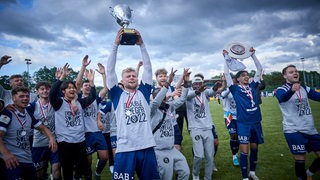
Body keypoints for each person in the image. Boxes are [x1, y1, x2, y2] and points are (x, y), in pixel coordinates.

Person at [107, 28, 160, 179]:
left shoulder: (143, 92)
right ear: (122, 81)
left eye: (134, 76)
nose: (131, 78)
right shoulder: (117, 95)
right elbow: (110, 70)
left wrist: (142, 45)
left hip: (147, 146)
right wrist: (115, 45)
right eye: (128, 76)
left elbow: (149, 68)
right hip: (125, 148)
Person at [49, 62, 96, 180]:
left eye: (73, 88)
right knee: (67, 169)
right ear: (63, 91)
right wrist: (62, 78)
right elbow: (52, 93)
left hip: (80, 140)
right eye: (69, 88)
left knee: (82, 167)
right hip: (65, 142)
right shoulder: (58, 103)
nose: (72, 89)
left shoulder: (79, 102)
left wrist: (92, 83)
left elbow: (92, 98)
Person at [223, 47, 263, 180]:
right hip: (243, 124)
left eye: (247, 75)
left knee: (255, 149)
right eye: (243, 75)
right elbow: (227, 74)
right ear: (238, 79)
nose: (246, 76)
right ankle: (245, 177)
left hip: (256, 122)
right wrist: (226, 59)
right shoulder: (234, 89)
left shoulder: (253, 86)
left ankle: (252, 172)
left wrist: (253, 55)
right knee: (244, 151)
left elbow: (259, 69)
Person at [0, 86, 57, 180]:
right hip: (12, 161)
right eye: (21, 96)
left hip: (27, 160)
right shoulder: (7, 114)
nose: (25, 98)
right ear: (13, 98)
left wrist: (51, 138)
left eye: (27, 96)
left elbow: (43, 128)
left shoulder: (29, 115)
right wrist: (6, 154)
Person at [276, 64, 320, 180]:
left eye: (296, 71)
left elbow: (318, 96)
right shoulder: (281, 89)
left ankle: (309, 174)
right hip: (293, 130)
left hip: (310, 129)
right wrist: (291, 91)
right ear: (285, 76)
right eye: (291, 72)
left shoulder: (304, 88)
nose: (295, 73)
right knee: (300, 158)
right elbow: (282, 98)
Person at [150, 68, 190, 180]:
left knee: (185, 172)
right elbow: (156, 101)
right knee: (166, 177)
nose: (163, 100)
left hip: (171, 148)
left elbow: (181, 100)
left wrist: (185, 84)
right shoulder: (151, 109)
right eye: (160, 97)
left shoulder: (169, 106)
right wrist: (167, 84)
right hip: (159, 150)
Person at [75, 56, 109, 180]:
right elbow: (76, 85)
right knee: (87, 161)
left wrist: (103, 75)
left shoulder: (95, 98)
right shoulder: (78, 99)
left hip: (97, 132)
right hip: (85, 133)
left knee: (104, 157)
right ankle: (87, 175)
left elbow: (106, 89)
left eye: (89, 85)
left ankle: (98, 173)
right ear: (82, 88)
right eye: (86, 85)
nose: (88, 86)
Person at [185, 74, 224, 180]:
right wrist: (198, 91)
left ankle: (208, 177)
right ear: (192, 84)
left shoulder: (205, 92)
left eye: (200, 83)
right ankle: (195, 174)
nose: (198, 85)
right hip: (195, 128)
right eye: (195, 83)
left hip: (207, 127)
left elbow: (212, 92)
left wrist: (216, 86)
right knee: (198, 155)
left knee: (210, 156)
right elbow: (188, 96)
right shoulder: (188, 92)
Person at [27, 81, 61, 180]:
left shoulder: (55, 103)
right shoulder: (32, 106)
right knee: (39, 173)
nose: (45, 91)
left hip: (54, 142)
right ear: (37, 92)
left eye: (47, 89)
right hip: (38, 143)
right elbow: (21, 110)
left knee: (57, 166)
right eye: (42, 89)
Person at [220, 82, 240, 166]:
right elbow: (222, 95)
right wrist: (230, 88)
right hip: (229, 117)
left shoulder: (239, 91)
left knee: (239, 136)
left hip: (239, 117)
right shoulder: (226, 92)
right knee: (233, 135)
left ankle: (236, 151)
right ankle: (234, 155)